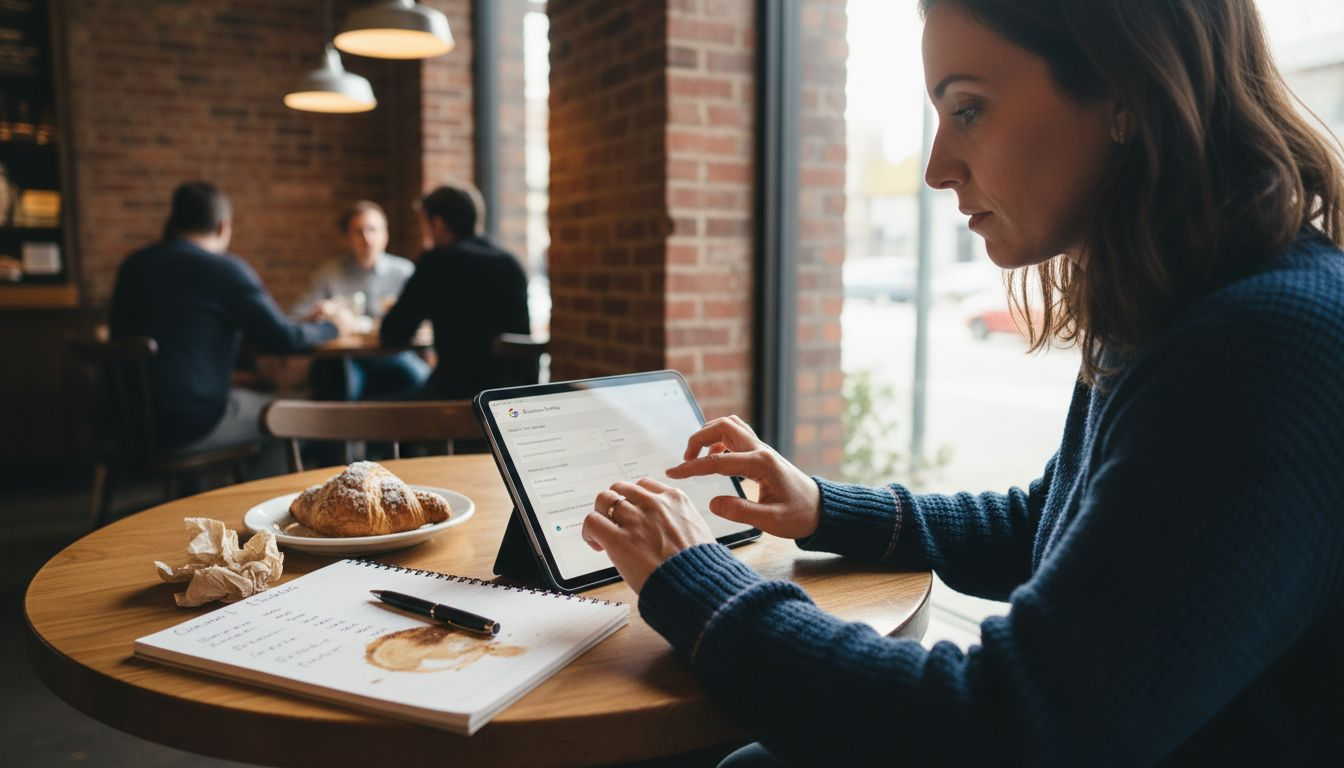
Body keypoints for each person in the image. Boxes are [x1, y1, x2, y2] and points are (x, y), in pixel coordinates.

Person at [580, 1, 1344, 765]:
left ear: (1123, 92)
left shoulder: (1262, 348)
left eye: (969, 109)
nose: (937, 167)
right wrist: (822, 508)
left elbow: (1004, 724)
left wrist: (694, 581)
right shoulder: (1177, 304)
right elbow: (1049, 522)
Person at [109, 182, 347, 467]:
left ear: (174, 222)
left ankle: (222, 493)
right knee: (302, 417)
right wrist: (333, 327)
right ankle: (256, 507)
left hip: (126, 422)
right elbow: (281, 339)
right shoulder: (222, 269)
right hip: (189, 424)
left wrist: (299, 323)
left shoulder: (134, 265)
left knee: (265, 399)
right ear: (224, 226)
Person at [380, 184, 530, 399]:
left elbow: (393, 334)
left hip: (458, 398)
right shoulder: (510, 262)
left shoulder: (437, 262)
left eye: (425, 226)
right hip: (513, 398)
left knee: (367, 410)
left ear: (439, 224)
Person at [293, 201, 430, 400]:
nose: (367, 238)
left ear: (385, 235)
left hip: (393, 355)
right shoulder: (329, 274)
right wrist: (316, 315)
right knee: (344, 388)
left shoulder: (404, 272)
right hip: (345, 358)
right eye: (359, 232)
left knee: (422, 380)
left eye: (373, 230)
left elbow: (426, 321)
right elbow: (295, 318)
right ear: (346, 239)